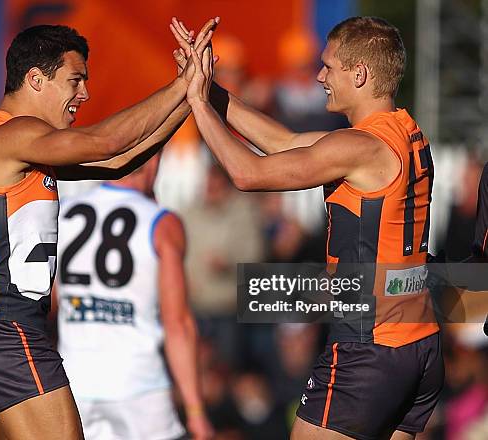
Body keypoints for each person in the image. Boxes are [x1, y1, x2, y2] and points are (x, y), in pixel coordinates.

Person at [0, 20, 217, 440]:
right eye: (75, 80)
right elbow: (105, 142)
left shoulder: (14, 143)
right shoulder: (16, 133)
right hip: (4, 330)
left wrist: (194, 96)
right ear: (35, 79)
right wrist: (181, 85)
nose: (83, 93)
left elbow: (119, 160)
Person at [173, 16, 443, 439]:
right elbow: (280, 142)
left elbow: (246, 174)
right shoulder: (406, 133)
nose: (320, 77)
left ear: (361, 74)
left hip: (367, 346)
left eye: (329, 67)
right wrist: (208, 86)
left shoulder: (359, 146)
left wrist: (196, 104)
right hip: (419, 344)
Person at [56, 153, 213, 439]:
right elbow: (177, 324)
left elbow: (49, 302)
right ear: (153, 164)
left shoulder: (63, 211)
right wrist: (195, 411)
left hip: (74, 380)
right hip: (139, 384)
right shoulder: (162, 222)